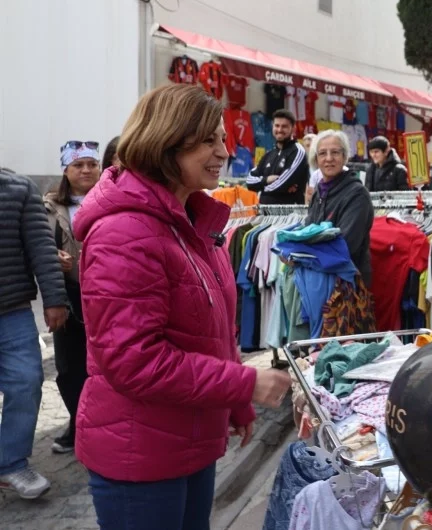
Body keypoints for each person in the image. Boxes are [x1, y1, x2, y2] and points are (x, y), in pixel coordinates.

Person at [73, 84, 291, 530]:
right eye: (208, 140)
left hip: (189, 440)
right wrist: (243, 383)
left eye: (222, 139)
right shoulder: (124, 233)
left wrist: (235, 402)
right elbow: (134, 360)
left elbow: (212, 329)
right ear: (168, 141)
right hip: (140, 454)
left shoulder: (192, 222)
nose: (222, 152)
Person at [0, 169, 68, 499]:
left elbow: (41, 245)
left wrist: (55, 297)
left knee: (26, 381)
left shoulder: (17, 187)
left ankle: (12, 463)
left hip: (12, 310)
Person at [44, 140, 102, 455]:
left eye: (91, 164)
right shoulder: (50, 206)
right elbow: (37, 245)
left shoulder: (112, 199)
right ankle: (77, 422)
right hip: (70, 293)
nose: (86, 170)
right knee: (69, 366)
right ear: (66, 170)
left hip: (108, 294)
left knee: (105, 361)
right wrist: (54, 255)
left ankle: (102, 422)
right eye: (78, 165)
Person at [307, 130, 375, 287]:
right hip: (319, 280)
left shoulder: (357, 194)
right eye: (323, 153)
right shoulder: (319, 192)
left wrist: (302, 255)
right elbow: (308, 230)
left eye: (335, 152)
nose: (329, 158)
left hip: (347, 288)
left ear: (345, 157)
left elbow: (344, 245)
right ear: (316, 159)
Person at [246, 109, 308, 205]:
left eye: (284, 126)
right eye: (277, 126)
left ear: (293, 129)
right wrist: (266, 180)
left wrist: (261, 189)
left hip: (289, 216)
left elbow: (283, 183)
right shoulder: (269, 154)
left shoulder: (298, 151)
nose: (279, 130)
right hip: (265, 216)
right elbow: (249, 181)